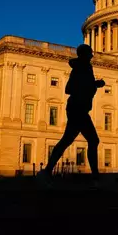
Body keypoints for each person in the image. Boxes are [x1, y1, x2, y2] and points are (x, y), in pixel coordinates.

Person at [38, 44, 105, 186]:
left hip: (79, 109)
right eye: (89, 54)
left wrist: (93, 84)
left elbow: (81, 86)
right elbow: (69, 89)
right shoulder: (80, 68)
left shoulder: (85, 68)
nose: (92, 56)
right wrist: (92, 85)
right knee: (92, 140)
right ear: (84, 55)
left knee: (67, 141)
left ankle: (47, 171)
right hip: (77, 109)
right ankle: (95, 178)